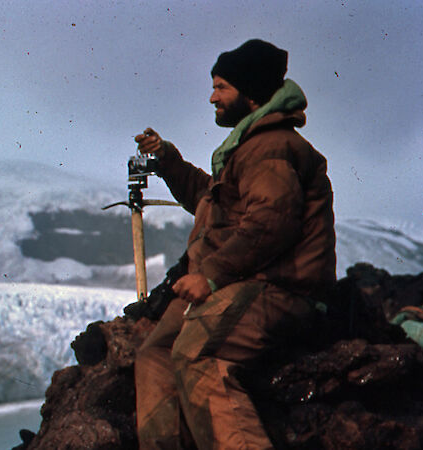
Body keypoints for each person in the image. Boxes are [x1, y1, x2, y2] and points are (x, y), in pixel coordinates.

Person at [132, 39, 336, 449]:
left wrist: (209, 276)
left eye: (221, 87)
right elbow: (214, 202)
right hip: (242, 280)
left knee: (197, 353)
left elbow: (270, 223)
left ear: (251, 92)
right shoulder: (249, 147)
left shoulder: (272, 148)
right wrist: (169, 160)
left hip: (276, 285)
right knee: (155, 353)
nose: (212, 97)